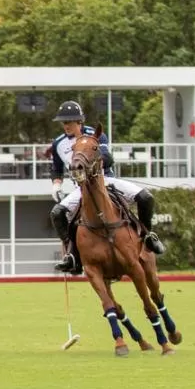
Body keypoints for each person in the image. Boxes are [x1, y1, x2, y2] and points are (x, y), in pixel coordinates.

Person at [49, 100, 165, 274]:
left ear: (79, 121)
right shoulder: (58, 144)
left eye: (69, 122)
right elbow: (56, 169)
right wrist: (56, 186)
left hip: (106, 181)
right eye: (63, 122)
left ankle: (148, 236)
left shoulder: (95, 134)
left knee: (145, 198)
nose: (65, 126)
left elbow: (108, 158)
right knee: (57, 213)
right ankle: (72, 256)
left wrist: (90, 159)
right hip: (81, 189)